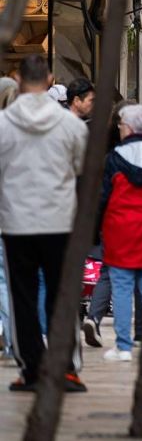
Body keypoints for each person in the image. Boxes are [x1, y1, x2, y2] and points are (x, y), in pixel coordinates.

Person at [0, 55, 88, 392]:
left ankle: (32, 369)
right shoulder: (70, 125)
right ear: (51, 79)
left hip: (17, 222)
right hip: (59, 219)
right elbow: (80, 168)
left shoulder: (4, 124)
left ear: (20, 81)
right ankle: (66, 367)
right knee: (61, 295)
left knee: (22, 297)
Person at [96, 105, 142, 363]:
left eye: (122, 125)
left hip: (119, 229)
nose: (120, 129)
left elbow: (103, 197)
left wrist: (94, 228)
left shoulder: (114, 158)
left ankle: (123, 346)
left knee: (121, 288)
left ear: (131, 128)